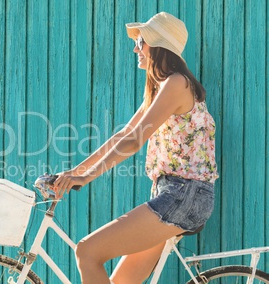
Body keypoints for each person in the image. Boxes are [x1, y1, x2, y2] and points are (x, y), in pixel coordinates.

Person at [53, 12, 219, 284]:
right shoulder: (163, 87)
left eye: (141, 41)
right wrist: (74, 172)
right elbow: (124, 134)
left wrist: (85, 177)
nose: (136, 48)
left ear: (158, 46)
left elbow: (134, 141)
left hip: (184, 195)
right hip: (173, 193)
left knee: (87, 252)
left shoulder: (176, 83)